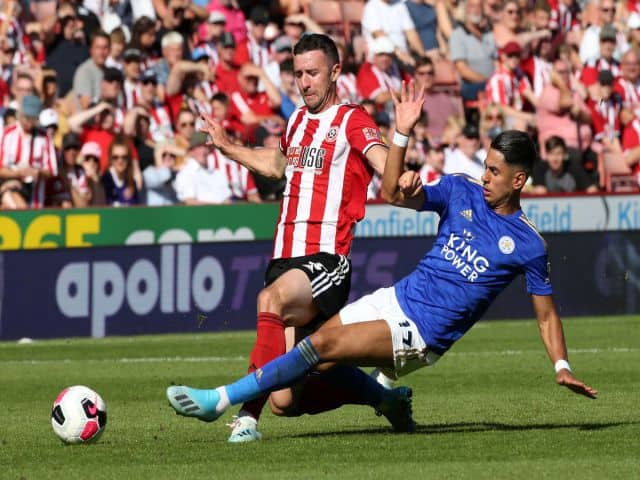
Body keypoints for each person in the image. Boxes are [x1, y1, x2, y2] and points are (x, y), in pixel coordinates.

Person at [167, 103, 598, 437]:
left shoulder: (527, 243)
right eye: (485, 166)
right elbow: (391, 193)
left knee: (318, 346)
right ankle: (388, 401)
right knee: (293, 392)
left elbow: (546, 314)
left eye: (495, 171)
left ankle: (219, 399)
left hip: (422, 333)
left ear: (518, 181)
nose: (484, 176)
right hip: (393, 299)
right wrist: (402, 133)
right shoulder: (458, 190)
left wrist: (561, 365)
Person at [190, 33, 391, 443]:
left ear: (335, 72)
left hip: (326, 260)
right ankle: (383, 395)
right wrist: (228, 146)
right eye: (298, 74)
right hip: (284, 258)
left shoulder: (353, 120)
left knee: (270, 301)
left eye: (312, 73)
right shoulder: (298, 120)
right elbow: (277, 164)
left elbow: (385, 165)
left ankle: (244, 417)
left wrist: (400, 154)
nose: (304, 82)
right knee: (285, 398)